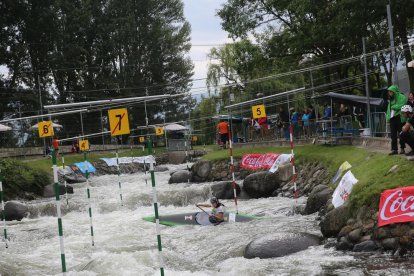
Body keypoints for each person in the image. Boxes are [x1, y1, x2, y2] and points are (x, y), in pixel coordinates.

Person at [386, 85, 407, 155]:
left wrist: (394, 107)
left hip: (399, 117)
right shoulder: (390, 99)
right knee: (393, 135)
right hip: (392, 118)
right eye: (389, 92)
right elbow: (389, 109)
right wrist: (388, 118)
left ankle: (402, 148)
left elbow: (402, 105)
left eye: (390, 91)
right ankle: (394, 149)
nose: (389, 93)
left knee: (401, 134)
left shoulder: (402, 97)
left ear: (394, 91)